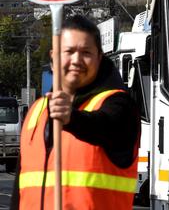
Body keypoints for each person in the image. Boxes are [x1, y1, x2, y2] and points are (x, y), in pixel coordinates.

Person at [11, 15, 140, 210]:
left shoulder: (119, 105)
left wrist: (72, 118)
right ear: (53, 59)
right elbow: (18, 193)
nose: (76, 60)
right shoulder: (36, 111)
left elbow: (105, 125)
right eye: (69, 51)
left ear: (99, 58)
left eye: (86, 52)